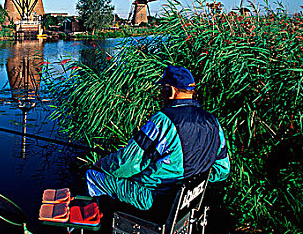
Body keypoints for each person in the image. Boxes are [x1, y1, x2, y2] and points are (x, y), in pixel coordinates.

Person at [86, 65, 230, 210]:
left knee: (93, 175)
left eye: (162, 89)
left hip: (155, 198)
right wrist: (192, 180)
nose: (160, 94)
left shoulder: (162, 120)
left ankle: (90, 227)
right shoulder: (214, 122)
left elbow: (126, 164)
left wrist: (101, 164)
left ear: (172, 91)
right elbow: (222, 170)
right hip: (186, 202)